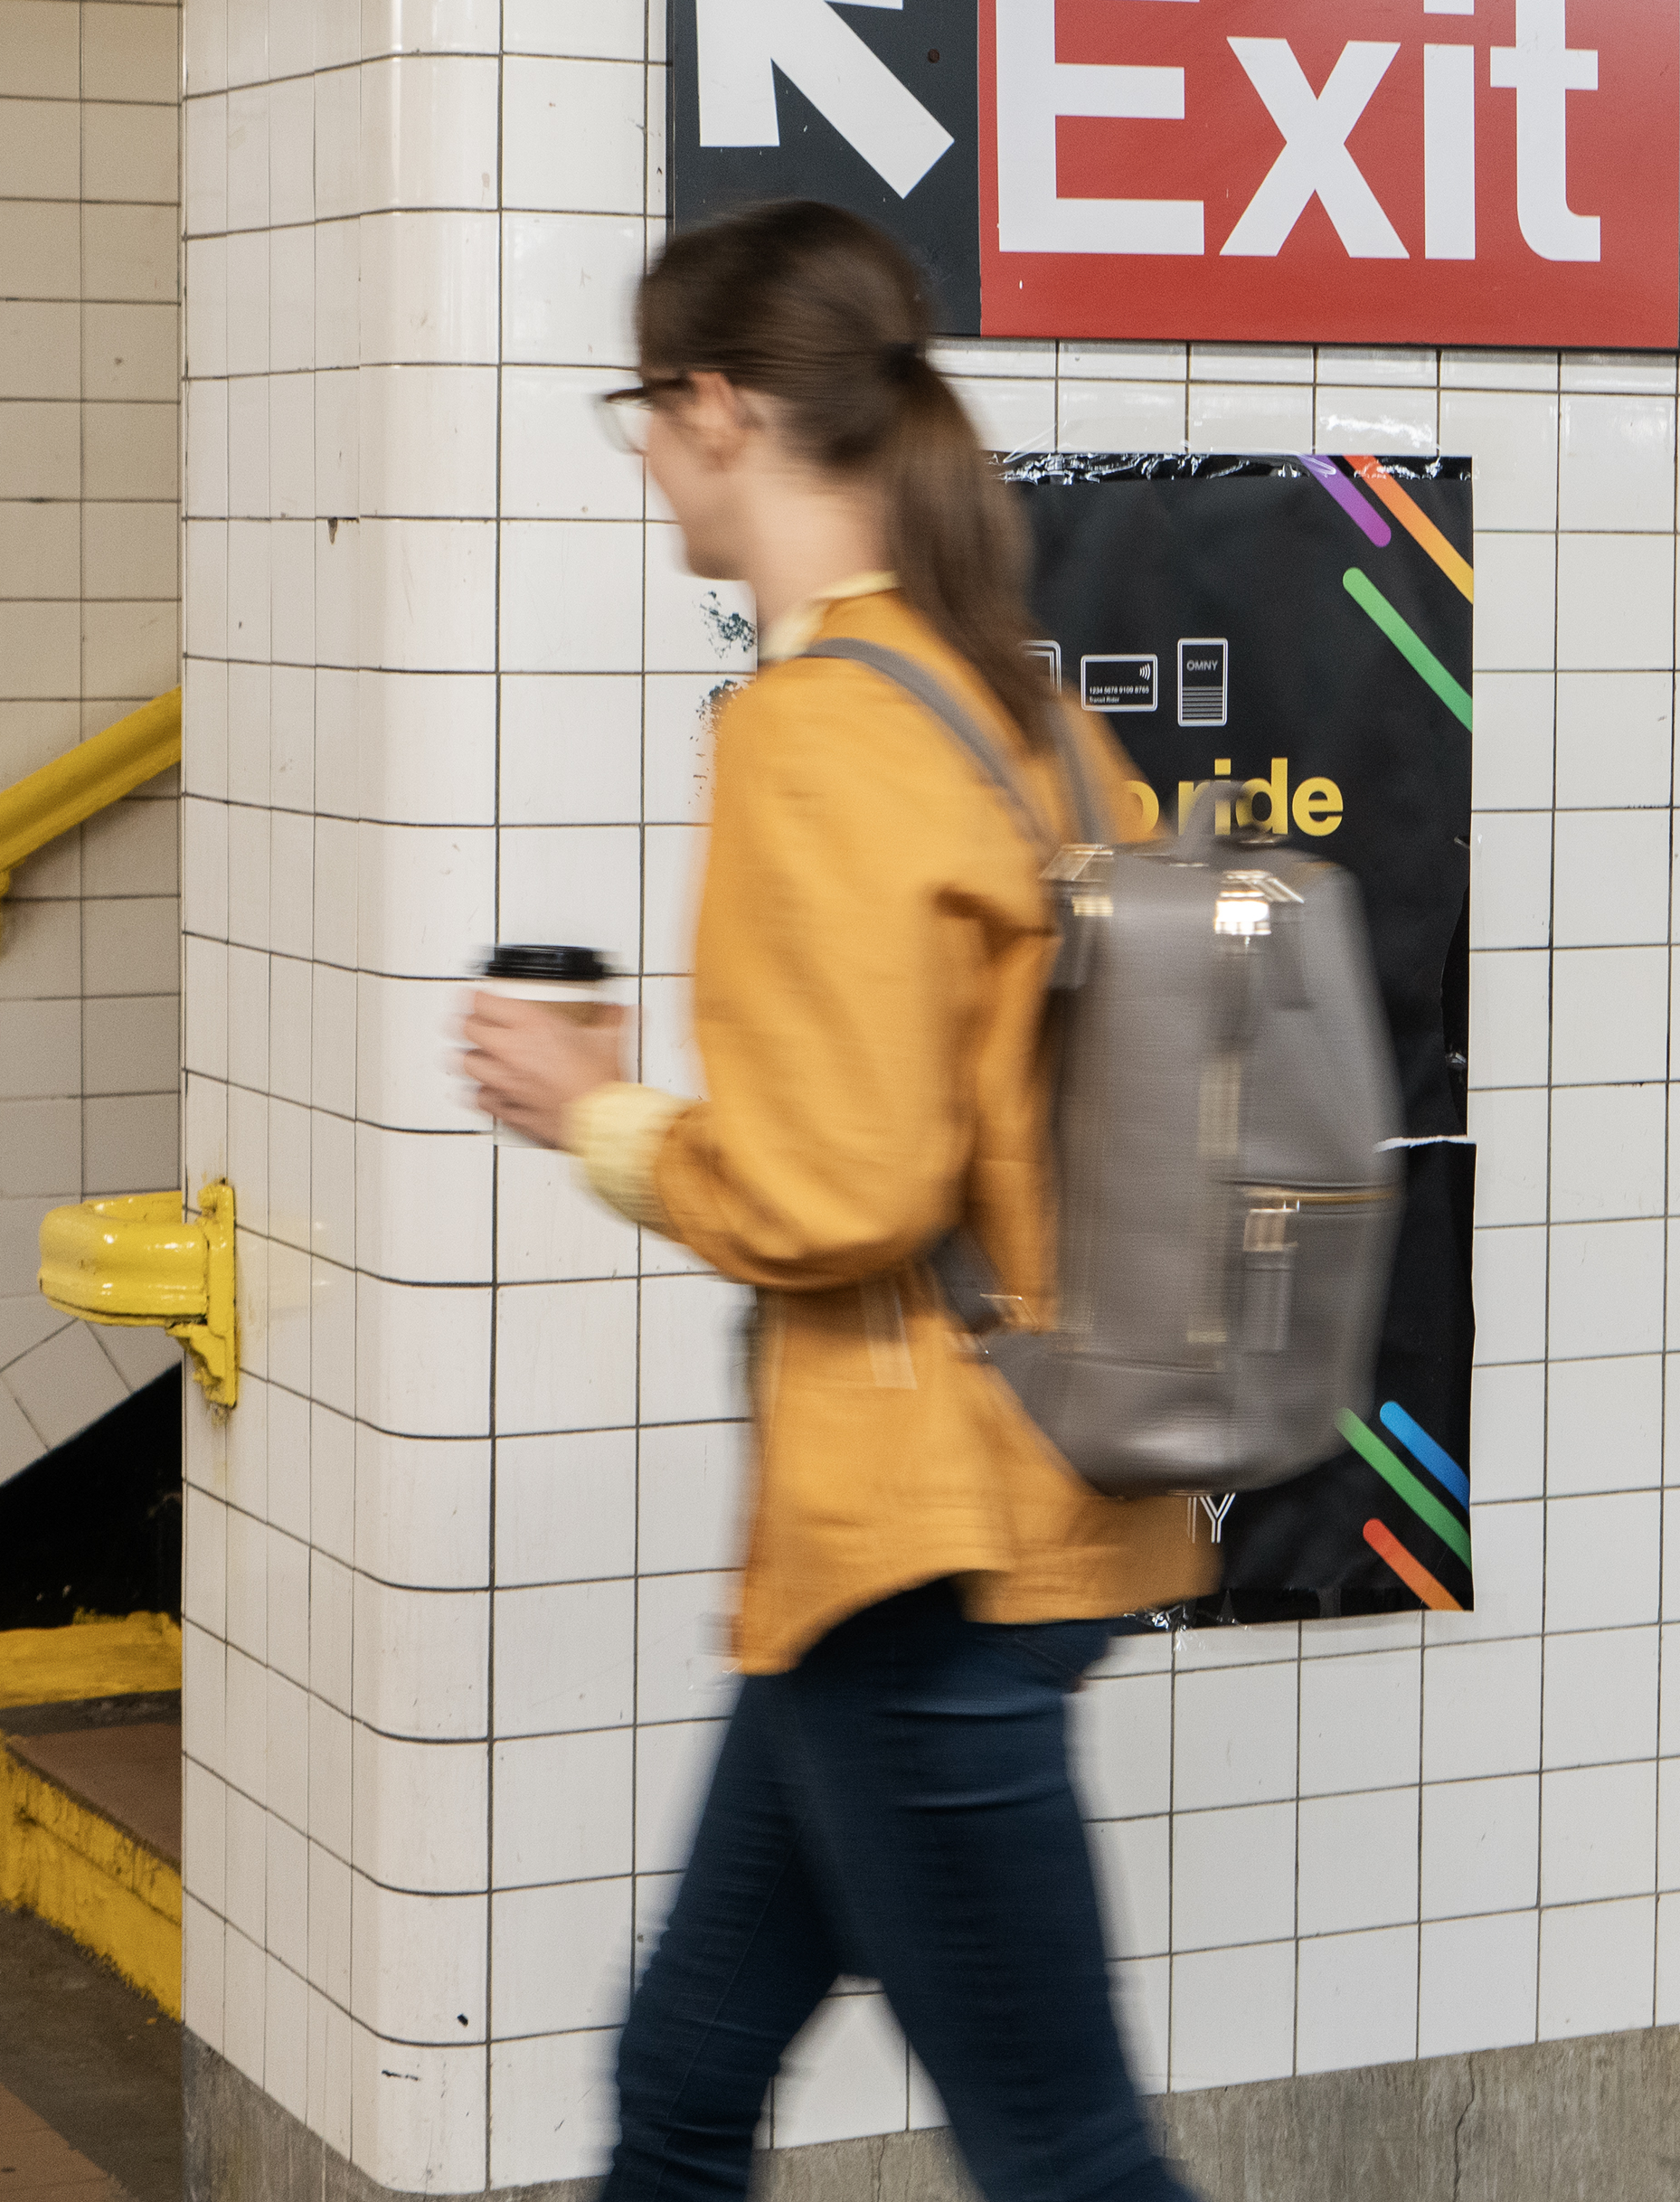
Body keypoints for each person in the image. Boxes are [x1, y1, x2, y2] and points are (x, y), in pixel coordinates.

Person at [456, 199, 1206, 2202]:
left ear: (714, 408)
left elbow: (843, 1188)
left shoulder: (812, 724)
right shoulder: (1021, 711)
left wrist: (600, 1109)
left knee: (1062, 2155)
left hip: (914, 1553)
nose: (643, 462)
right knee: (686, 2074)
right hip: (999, 1504)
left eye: (645, 411)